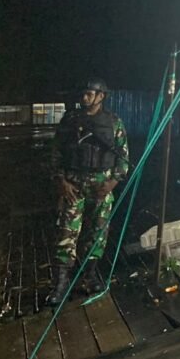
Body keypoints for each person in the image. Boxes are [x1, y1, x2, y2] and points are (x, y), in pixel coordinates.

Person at [46, 78, 130, 305]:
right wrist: (61, 181)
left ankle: (90, 277)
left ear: (101, 96)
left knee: (97, 233)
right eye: (83, 93)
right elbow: (55, 154)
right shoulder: (69, 121)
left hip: (101, 185)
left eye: (90, 93)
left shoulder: (113, 123)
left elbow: (123, 159)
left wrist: (113, 182)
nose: (84, 98)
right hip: (73, 184)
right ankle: (61, 285)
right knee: (65, 233)